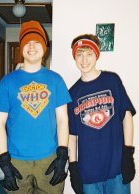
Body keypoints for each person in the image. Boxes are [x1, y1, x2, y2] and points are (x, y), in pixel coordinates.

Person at [0, 20, 71, 194]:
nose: (32, 46)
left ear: (44, 47)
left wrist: (63, 153)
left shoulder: (56, 80)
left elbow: (63, 120)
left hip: (50, 158)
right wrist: (3, 159)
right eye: (27, 42)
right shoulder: (7, 82)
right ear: (21, 48)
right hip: (16, 160)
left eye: (36, 42)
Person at [68, 34, 136, 194]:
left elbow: (126, 116)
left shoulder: (112, 81)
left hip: (117, 168)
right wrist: (73, 166)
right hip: (88, 174)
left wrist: (128, 154)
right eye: (79, 54)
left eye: (89, 54)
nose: (84, 60)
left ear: (96, 55)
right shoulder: (72, 93)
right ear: (74, 58)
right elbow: (72, 135)